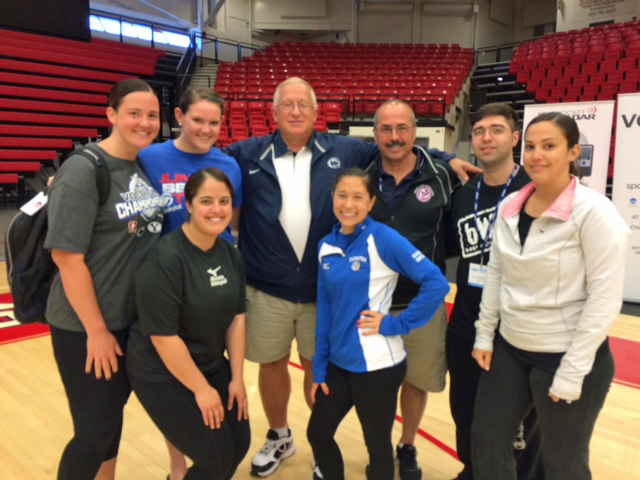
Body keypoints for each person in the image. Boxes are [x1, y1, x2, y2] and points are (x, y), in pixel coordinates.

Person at [224, 77, 478, 477]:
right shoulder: (246, 153)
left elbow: (400, 149)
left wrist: (447, 160)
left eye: (302, 105)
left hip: (364, 294)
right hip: (279, 286)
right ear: (274, 112)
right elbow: (204, 158)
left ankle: (373, 449)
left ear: (315, 111)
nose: (294, 112)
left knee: (348, 373)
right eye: (286, 105)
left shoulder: (345, 148)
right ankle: (284, 436)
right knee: (276, 365)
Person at [471, 112, 630, 480]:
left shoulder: (595, 213)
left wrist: (573, 372)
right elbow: (497, 273)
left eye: (549, 146)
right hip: (511, 348)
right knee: (487, 444)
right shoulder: (510, 205)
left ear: (573, 152)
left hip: (565, 356)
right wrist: (484, 334)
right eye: (529, 146)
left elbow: (604, 300)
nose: (536, 155)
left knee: (563, 462)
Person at [44, 78, 164, 480]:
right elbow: (66, 257)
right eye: (134, 113)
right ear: (111, 114)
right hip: (86, 326)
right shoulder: (83, 168)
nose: (145, 122)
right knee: (93, 433)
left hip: (127, 320)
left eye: (152, 115)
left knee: (109, 422)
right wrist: (96, 331)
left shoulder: (139, 165)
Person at [307, 168, 450, 480]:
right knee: (318, 434)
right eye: (342, 195)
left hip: (379, 365)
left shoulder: (382, 238)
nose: (348, 203)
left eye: (358, 196)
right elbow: (326, 311)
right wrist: (319, 366)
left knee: (377, 447)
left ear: (371, 202)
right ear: (332, 198)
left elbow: (436, 283)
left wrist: (397, 325)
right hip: (338, 364)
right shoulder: (326, 246)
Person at [126, 168, 250, 480]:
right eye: (206, 200)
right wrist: (201, 389)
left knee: (240, 443)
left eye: (224, 201)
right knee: (216, 457)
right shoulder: (165, 258)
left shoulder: (230, 254)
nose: (217, 209)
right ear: (189, 205)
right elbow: (163, 338)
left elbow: (237, 319)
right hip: (160, 372)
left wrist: (236, 378)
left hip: (208, 363)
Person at [446, 103, 543, 480]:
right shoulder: (461, 195)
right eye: (481, 130)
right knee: (464, 409)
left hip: (518, 328)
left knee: (520, 422)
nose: (487, 137)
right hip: (467, 322)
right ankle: (473, 469)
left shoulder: (533, 189)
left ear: (515, 138)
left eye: (497, 130)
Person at [365, 99, 456, 480]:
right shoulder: (362, 175)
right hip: (371, 306)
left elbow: (450, 234)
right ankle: (380, 450)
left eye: (402, 128)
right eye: (386, 129)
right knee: (378, 386)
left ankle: (407, 445)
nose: (394, 137)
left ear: (415, 131)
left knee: (416, 380)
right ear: (375, 135)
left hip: (422, 303)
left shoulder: (444, 175)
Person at [139, 87, 242, 244]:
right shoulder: (148, 158)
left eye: (213, 123)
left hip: (219, 261)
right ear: (179, 116)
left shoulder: (230, 166)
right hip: (167, 261)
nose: (206, 130)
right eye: (197, 120)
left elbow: (233, 220)